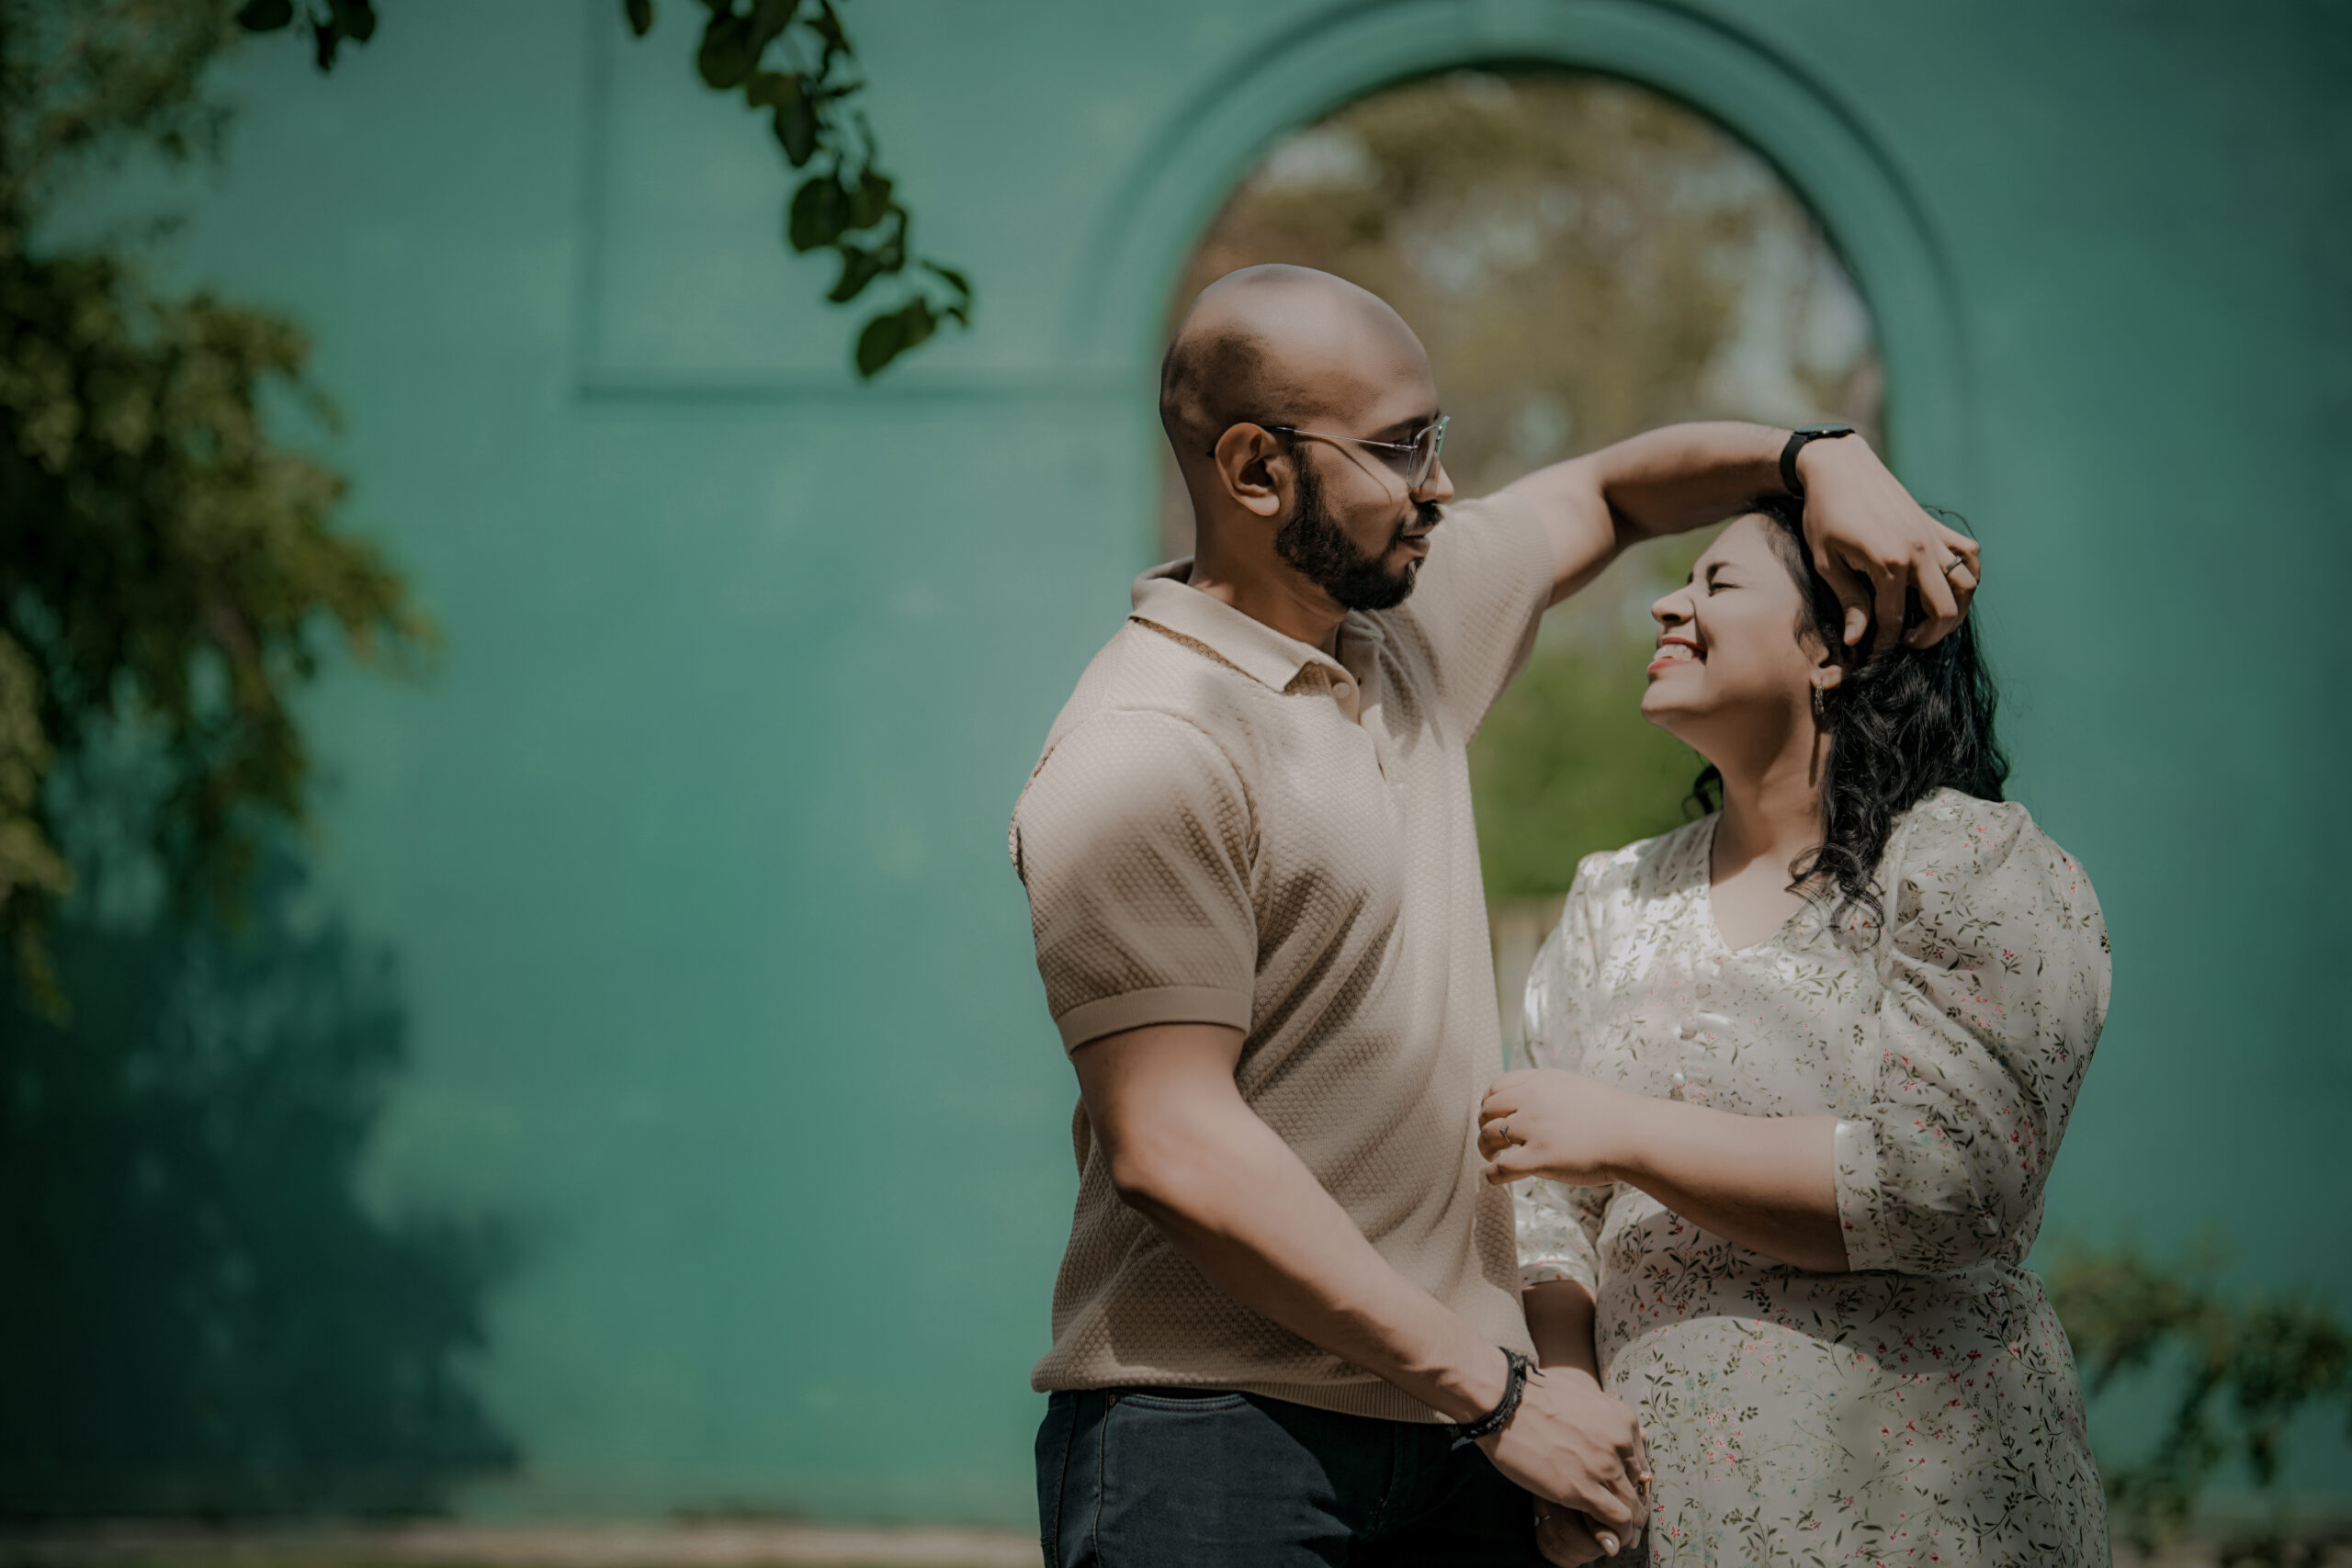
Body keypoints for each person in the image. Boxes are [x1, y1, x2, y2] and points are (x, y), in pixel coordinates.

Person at [1008, 264, 1978, 1568]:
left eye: (1437, 435)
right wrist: (1501, 1395)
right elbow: (1175, 1145)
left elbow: (1612, 493)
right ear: (1253, 470)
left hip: (1452, 1436)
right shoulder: (1145, 745)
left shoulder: (1398, 633)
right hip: (1216, 1442)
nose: (1441, 484)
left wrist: (1816, 457)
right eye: (1401, 446)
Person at [1478, 494, 2109, 1565]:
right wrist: (1567, 1409)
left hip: (1921, 1517)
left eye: (1716, 582)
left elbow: (1947, 1183)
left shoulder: (1968, 865)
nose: (1666, 606)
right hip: (1662, 1521)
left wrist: (1622, 1132)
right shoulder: (1611, 896)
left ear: (1831, 649)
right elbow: (1540, 1207)